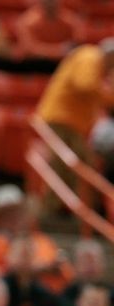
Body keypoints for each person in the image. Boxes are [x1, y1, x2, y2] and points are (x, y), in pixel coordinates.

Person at [35, 38, 114, 204]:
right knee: (64, 164)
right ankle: (52, 209)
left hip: (71, 123)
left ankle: (63, 207)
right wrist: (110, 96)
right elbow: (85, 85)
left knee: (77, 165)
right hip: (60, 119)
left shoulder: (98, 66)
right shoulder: (90, 57)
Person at [15, 0, 81, 63]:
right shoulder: (28, 22)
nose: (50, 3)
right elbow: (29, 50)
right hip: (33, 65)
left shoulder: (70, 21)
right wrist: (59, 51)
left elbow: (76, 46)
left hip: (61, 64)